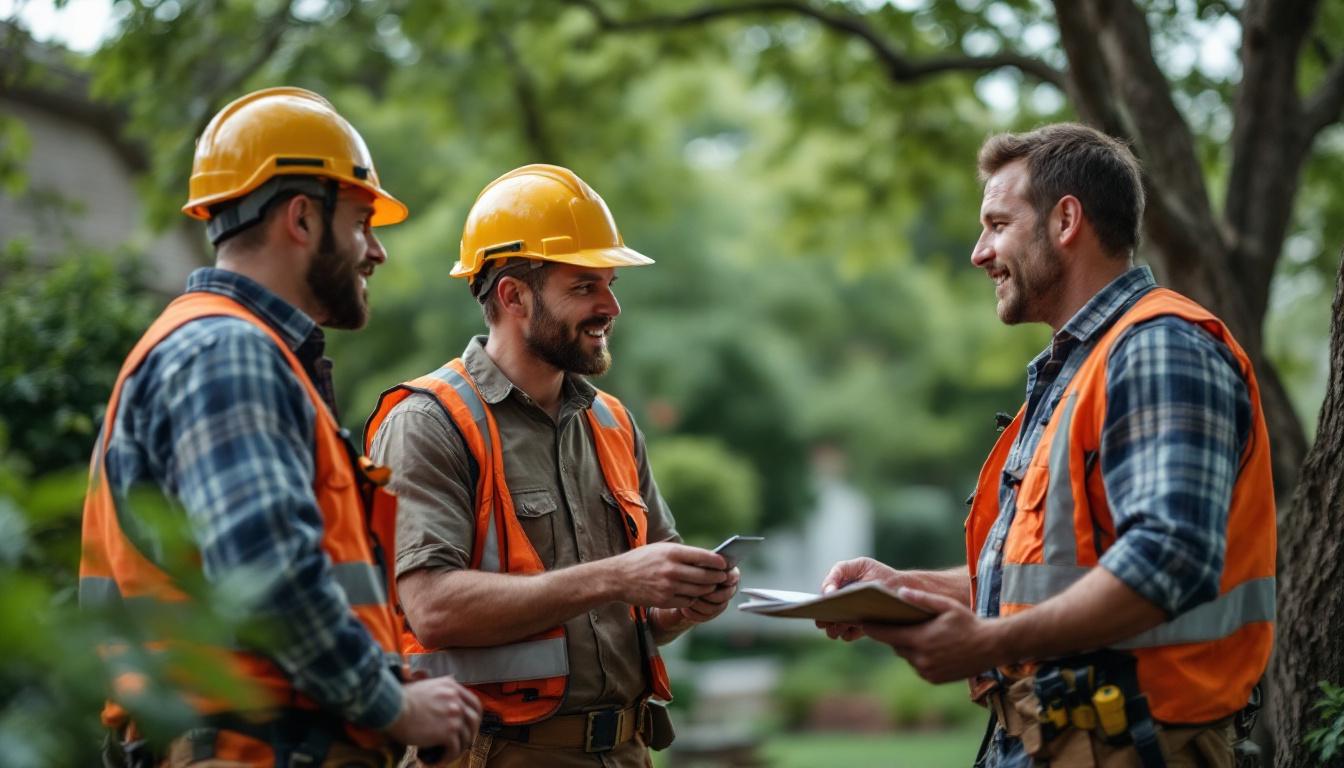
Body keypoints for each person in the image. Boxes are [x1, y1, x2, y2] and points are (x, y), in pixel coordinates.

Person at [819, 124, 1275, 767]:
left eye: (998, 224)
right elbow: (1051, 578)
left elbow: (1170, 561)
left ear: (1066, 220)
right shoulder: (1081, 370)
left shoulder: (1159, 347)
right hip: (1067, 743)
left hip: (1138, 746)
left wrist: (987, 640)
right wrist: (904, 589)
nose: (980, 252)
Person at [79, 87, 482, 767]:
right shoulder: (227, 351)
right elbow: (268, 574)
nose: (374, 251)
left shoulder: (233, 349)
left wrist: (383, 681)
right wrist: (390, 705)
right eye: (361, 222)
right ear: (301, 218)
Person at [364, 164, 739, 767]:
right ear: (513, 296)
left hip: (626, 751)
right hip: (492, 755)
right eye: (585, 285)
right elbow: (431, 609)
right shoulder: (429, 423)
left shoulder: (611, 422)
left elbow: (636, 605)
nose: (611, 305)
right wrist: (617, 577)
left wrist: (677, 604)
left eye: (611, 284)